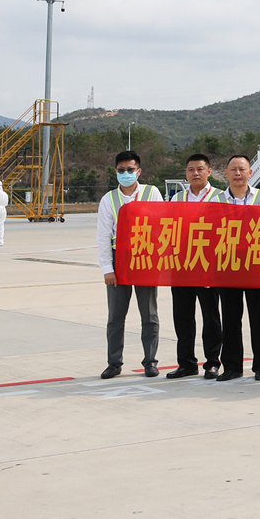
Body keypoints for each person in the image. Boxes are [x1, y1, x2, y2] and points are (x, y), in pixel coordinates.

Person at [96, 151, 165, 379]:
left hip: (145, 258)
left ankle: (150, 361)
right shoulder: (108, 200)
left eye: (130, 170)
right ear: (115, 172)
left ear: (139, 171)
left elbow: (162, 225)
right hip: (120, 260)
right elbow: (103, 236)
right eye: (121, 170)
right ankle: (114, 363)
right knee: (116, 316)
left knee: (149, 314)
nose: (126, 174)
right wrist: (108, 268)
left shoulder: (151, 193)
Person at [211, 155, 260, 382]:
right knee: (230, 317)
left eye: (242, 169)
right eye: (233, 169)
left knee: (259, 317)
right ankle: (232, 366)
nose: (238, 174)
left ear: (250, 173)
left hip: (255, 264)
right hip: (227, 266)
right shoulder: (217, 199)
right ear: (225, 173)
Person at [166, 154, 223, 379]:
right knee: (182, 316)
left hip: (209, 265)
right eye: (191, 169)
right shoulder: (176, 198)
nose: (195, 173)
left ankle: (212, 361)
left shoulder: (221, 197)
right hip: (181, 266)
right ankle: (187, 363)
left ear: (209, 171)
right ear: (186, 173)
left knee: (210, 316)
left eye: (200, 169)